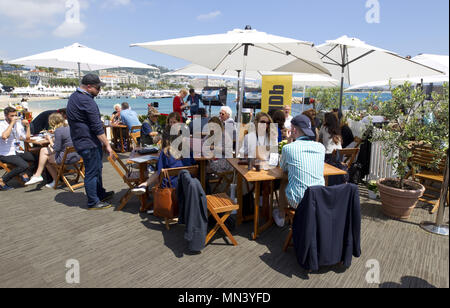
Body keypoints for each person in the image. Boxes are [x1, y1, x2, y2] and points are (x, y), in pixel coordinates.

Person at [66, 74, 114, 210]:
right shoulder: (86, 101)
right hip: (88, 142)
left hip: (81, 140)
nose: (100, 91)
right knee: (92, 171)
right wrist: (107, 144)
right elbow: (97, 127)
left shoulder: (75, 96)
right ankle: (93, 201)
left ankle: (100, 194)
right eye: (98, 88)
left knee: (97, 169)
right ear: (89, 87)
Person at [273, 115, 325, 227]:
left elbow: (283, 167)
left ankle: (281, 216)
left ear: (294, 130)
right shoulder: (321, 147)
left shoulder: (289, 148)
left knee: (283, 183)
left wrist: (288, 140)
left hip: (298, 200)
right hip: (319, 198)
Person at [132, 126, 196, 195]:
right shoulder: (188, 150)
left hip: (170, 188)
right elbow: (194, 165)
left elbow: (158, 172)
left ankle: (146, 189)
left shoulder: (165, 152)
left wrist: (145, 183)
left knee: (158, 175)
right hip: (188, 185)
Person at [25, 113, 80, 187]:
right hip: (76, 156)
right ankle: (39, 176)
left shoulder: (58, 131)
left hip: (65, 159)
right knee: (44, 150)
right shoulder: (69, 128)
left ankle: (47, 178)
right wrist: (54, 138)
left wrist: (50, 139)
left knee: (46, 159)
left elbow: (56, 149)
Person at [0, 107, 34, 190]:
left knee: (35, 158)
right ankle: (2, 180)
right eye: (11, 116)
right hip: (5, 153)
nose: (14, 117)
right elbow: (4, 136)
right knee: (24, 165)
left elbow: (26, 138)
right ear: (5, 116)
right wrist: (11, 124)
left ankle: (24, 174)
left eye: (15, 115)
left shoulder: (17, 124)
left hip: (16, 150)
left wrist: (28, 126)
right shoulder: (1, 125)